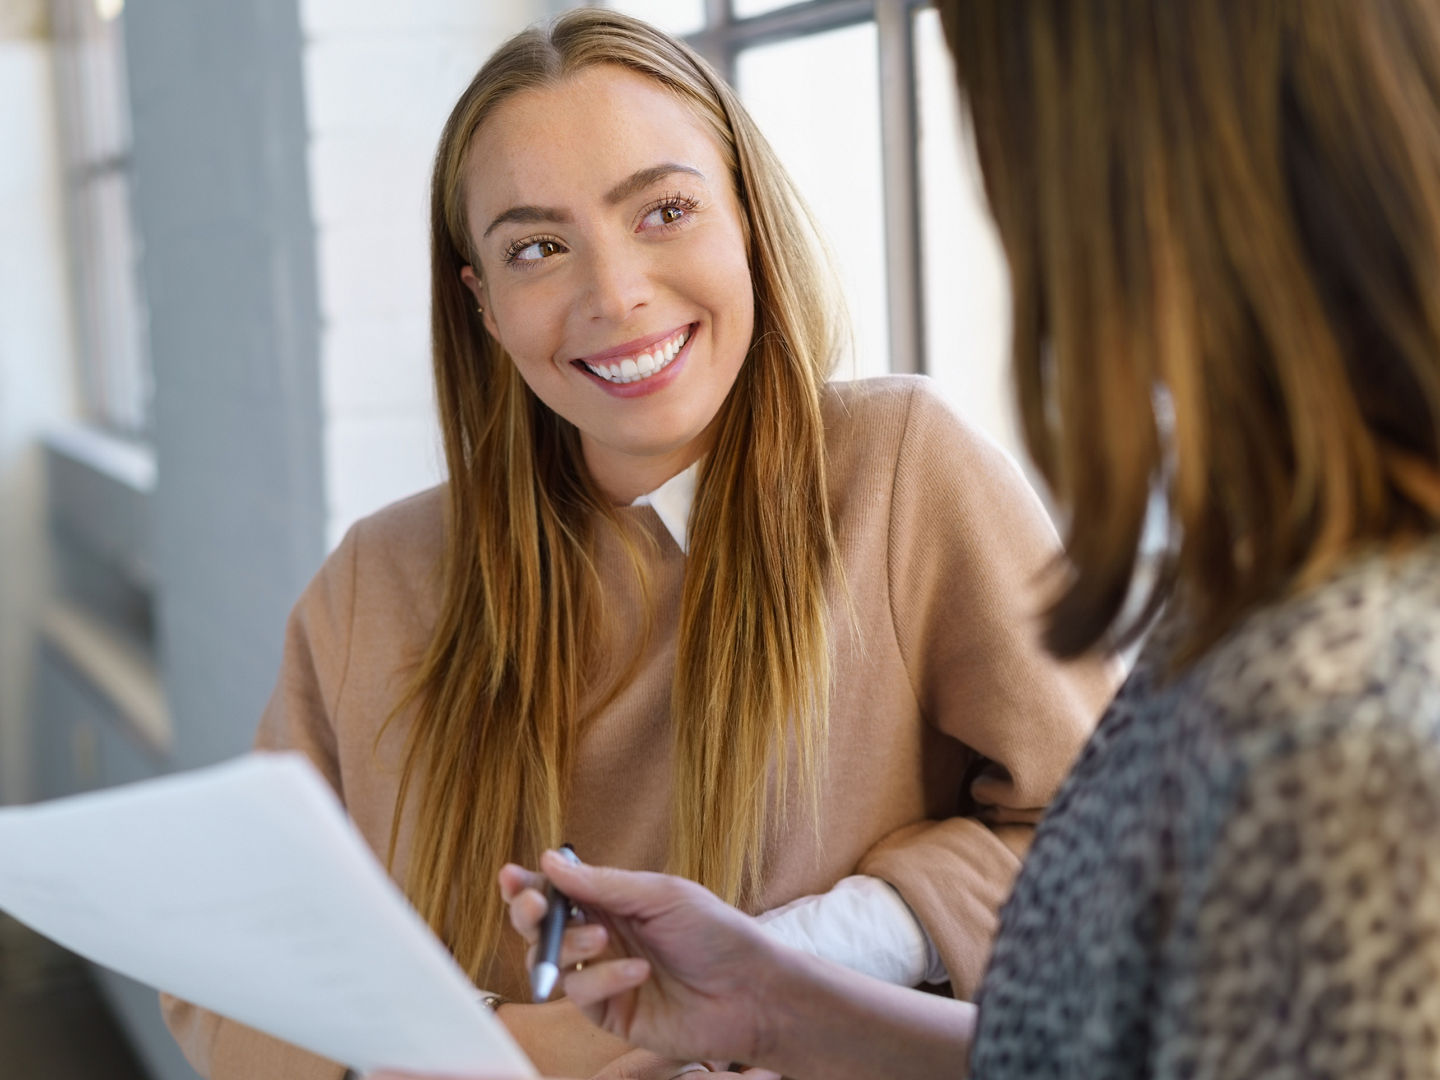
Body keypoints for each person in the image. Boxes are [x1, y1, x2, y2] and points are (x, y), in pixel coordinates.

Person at [481, 0, 1440, 1077]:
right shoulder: (1282, 616)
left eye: (1027, 162)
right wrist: (768, 1002)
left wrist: (845, 935)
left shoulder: (1336, 716)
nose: (1025, 237)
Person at [160, 9, 1115, 1080]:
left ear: (745, 217)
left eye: (664, 210)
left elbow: (1114, 849)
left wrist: (817, 949)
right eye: (537, 248)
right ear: (482, 303)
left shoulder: (902, 470)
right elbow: (230, 963)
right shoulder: (376, 583)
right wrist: (456, 1055)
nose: (614, 294)